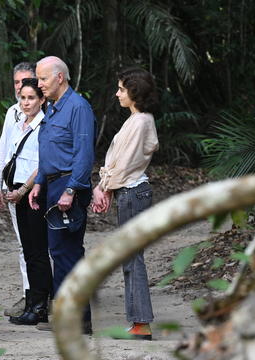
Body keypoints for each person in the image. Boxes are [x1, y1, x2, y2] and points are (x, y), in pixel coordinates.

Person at [28, 56, 96, 333]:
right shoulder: (54, 108)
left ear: (60, 77)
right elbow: (49, 150)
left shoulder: (78, 107)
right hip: (53, 185)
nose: (39, 83)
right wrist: (39, 183)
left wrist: (71, 190)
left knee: (67, 253)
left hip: (70, 186)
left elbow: (84, 154)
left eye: (43, 78)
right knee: (58, 251)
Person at [92, 67, 158, 340]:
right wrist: (106, 186)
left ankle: (141, 323)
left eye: (121, 89)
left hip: (133, 192)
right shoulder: (135, 120)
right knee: (130, 258)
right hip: (130, 192)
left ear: (134, 93)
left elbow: (125, 163)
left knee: (132, 258)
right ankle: (138, 322)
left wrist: (103, 187)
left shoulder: (141, 121)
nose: (117, 93)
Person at [4, 78, 52, 326]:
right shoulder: (18, 123)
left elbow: (42, 163)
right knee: (28, 250)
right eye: (22, 97)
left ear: (42, 100)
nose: (25, 102)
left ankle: (40, 306)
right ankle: (33, 304)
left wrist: (23, 190)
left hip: (34, 193)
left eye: (31, 98)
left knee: (38, 251)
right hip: (18, 192)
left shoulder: (45, 126)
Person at [0, 62, 36, 317]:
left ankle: (45, 295)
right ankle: (28, 294)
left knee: (42, 245)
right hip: (13, 186)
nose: (21, 88)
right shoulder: (12, 112)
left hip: (37, 186)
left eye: (26, 81)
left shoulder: (46, 111)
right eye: (17, 83)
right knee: (23, 244)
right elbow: (3, 149)